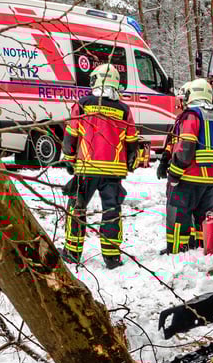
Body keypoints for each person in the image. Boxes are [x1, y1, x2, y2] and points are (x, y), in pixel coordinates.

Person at [59, 63, 139, 269]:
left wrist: (68, 158)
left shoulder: (83, 104)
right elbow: (132, 140)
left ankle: (72, 253)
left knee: (77, 208)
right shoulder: (123, 109)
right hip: (113, 170)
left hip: (87, 168)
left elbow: (71, 134)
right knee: (111, 211)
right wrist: (131, 162)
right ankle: (112, 257)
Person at [156, 78, 213, 255]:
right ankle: (203, 247)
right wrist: (165, 158)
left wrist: (174, 173)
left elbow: (185, 147)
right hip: (210, 179)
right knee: (203, 216)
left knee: (178, 213)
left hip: (188, 176)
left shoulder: (191, 116)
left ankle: (177, 250)